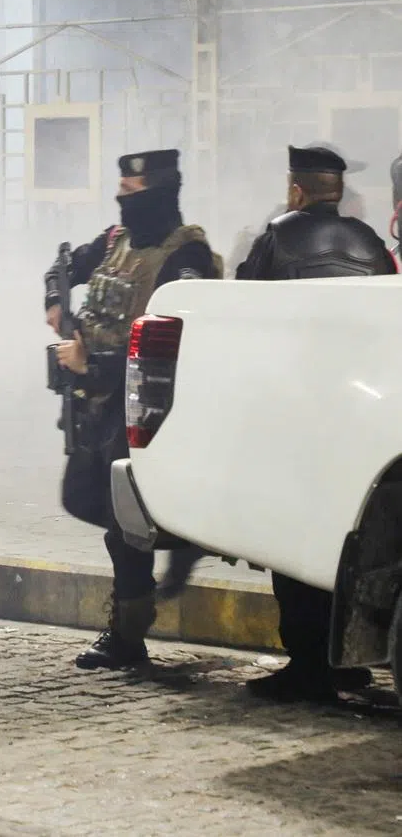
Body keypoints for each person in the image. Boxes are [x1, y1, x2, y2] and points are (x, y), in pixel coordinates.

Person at [45, 149, 221, 670]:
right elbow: (62, 268)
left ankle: (127, 635)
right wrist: (56, 301)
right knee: (88, 501)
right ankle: (164, 554)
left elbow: (172, 347)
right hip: (99, 407)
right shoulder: (112, 242)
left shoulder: (185, 259)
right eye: (121, 193)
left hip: (148, 413)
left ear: (161, 193)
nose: (124, 204)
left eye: (133, 194)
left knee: (127, 529)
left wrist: (91, 363)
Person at [237, 145, 396, 701]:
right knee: (344, 538)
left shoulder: (275, 238)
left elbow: (244, 319)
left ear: (297, 189)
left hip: (294, 414)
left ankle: (306, 665)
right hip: (357, 416)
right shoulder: (373, 243)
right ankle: (346, 661)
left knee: (292, 540)